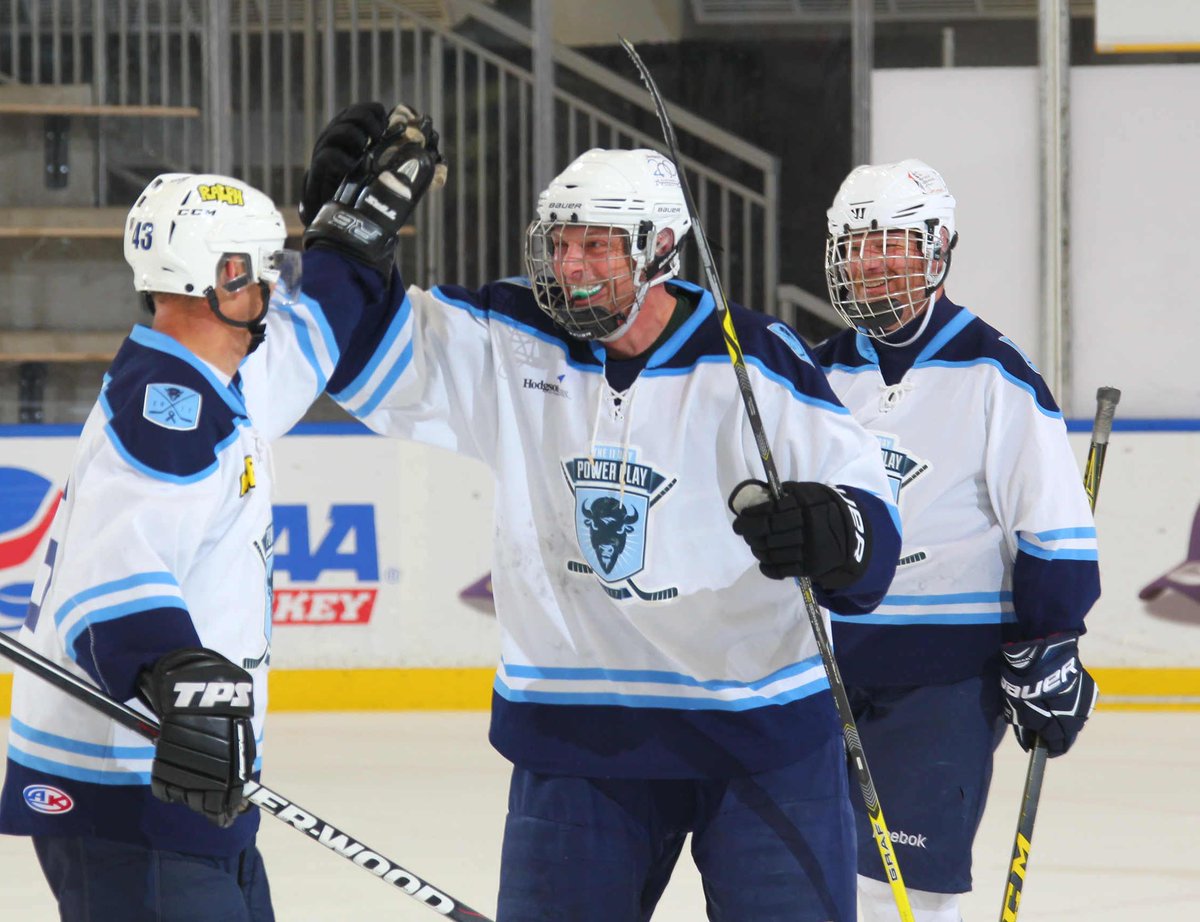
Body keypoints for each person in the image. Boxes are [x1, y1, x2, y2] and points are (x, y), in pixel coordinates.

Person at [296, 103, 902, 921]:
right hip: (579, 733)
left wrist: (835, 534)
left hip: (760, 731)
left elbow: (867, 513)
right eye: (562, 241)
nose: (572, 264)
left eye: (599, 244)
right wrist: (341, 244)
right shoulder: (512, 335)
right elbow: (359, 352)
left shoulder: (756, 357)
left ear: (659, 249)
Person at [0, 115, 439, 918]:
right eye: (264, 268)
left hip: (188, 784)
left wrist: (354, 243)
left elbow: (309, 338)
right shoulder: (166, 416)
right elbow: (115, 576)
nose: (276, 283)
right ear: (221, 273)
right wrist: (173, 667)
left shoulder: (214, 381)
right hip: (130, 788)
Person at [813, 159, 1100, 922]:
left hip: (945, 677)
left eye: (893, 245)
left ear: (940, 248)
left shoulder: (996, 374)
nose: (871, 263)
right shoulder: (814, 375)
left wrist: (1051, 640)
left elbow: (1054, 529)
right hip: (822, 672)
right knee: (810, 881)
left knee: (899, 891)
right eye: (855, 246)